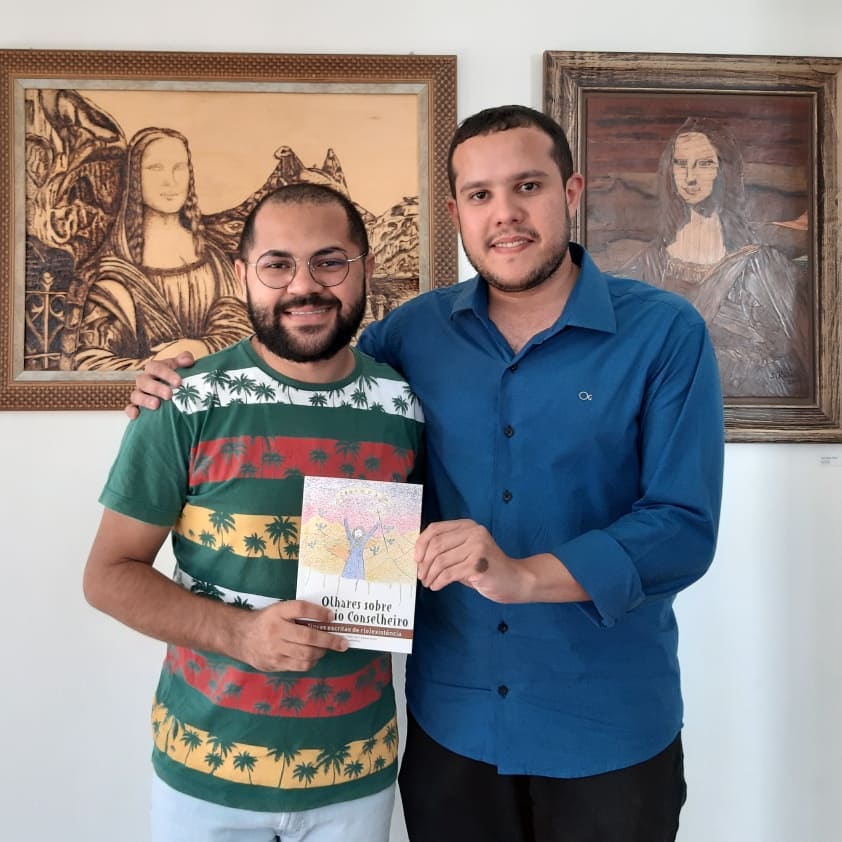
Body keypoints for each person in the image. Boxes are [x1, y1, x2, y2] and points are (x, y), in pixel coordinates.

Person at [127, 105, 724, 842]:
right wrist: (177, 370)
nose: (504, 214)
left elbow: (682, 527)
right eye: (480, 194)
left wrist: (526, 576)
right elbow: (312, 356)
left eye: (528, 186)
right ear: (455, 212)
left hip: (607, 726)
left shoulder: (663, 333)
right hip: (452, 729)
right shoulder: (411, 334)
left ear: (571, 192)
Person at [84, 183, 424, 841]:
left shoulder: (403, 406)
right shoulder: (185, 400)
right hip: (206, 771)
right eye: (277, 264)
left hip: (356, 772)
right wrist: (241, 635)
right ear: (242, 275)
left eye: (329, 261)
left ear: (364, 269)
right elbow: (107, 575)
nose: (304, 285)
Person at [620, 116, 809, 398]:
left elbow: (801, 364)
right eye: (680, 163)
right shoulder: (648, 264)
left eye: (704, 163)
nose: (690, 177)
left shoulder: (761, 265)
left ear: (725, 170)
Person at [70, 126, 252, 370]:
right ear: (134, 176)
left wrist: (202, 348)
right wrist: (161, 364)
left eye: (179, 168)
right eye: (156, 168)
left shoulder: (215, 259)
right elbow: (89, 364)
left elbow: (247, 336)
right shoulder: (113, 272)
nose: (170, 181)